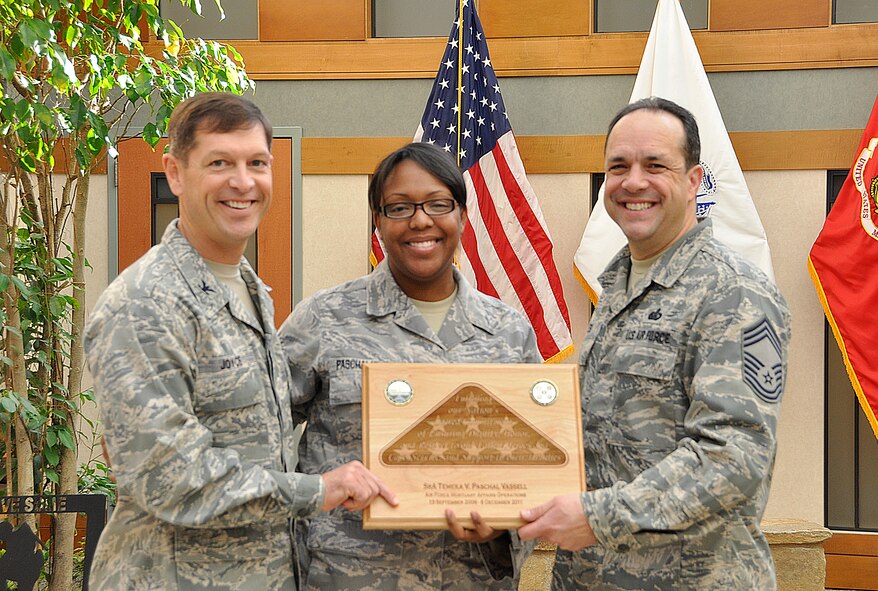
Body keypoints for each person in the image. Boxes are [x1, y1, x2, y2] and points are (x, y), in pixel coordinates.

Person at [84, 92, 395, 591]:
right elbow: (171, 477)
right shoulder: (145, 304)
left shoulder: (248, 290)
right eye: (219, 163)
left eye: (257, 163)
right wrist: (318, 490)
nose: (243, 182)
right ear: (176, 172)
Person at [518, 97, 791, 590]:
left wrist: (598, 516)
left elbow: (734, 456)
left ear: (693, 181)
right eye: (618, 167)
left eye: (655, 165)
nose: (633, 182)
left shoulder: (734, 293)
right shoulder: (617, 288)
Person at [279, 142, 542, 590]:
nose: (420, 221)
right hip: (348, 576)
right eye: (399, 208)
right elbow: (260, 432)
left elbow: (539, 462)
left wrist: (504, 521)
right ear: (378, 222)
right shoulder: (323, 318)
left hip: (474, 577)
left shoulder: (509, 333)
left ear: (462, 215)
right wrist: (312, 494)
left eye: (439, 204)